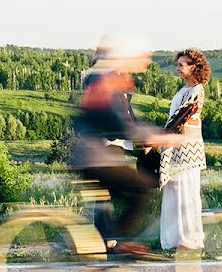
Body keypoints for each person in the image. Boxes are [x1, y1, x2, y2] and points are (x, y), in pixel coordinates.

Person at [70, 34, 182, 255]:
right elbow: (116, 120)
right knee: (139, 190)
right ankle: (113, 243)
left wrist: (149, 136)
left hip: (94, 155)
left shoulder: (108, 78)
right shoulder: (104, 79)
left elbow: (125, 117)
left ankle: (106, 243)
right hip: (97, 155)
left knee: (104, 200)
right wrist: (151, 136)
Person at [159, 49, 210, 251]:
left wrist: (158, 138)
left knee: (187, 193)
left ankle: (189, 240)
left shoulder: (197, 90)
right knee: (174, 193)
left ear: (193, 67)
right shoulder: (182, 91)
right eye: (178, 64)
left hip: (188, 148)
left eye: (182, 65)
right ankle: (173, 240)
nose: (178, 68)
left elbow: (180, 119)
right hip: (175, 147)